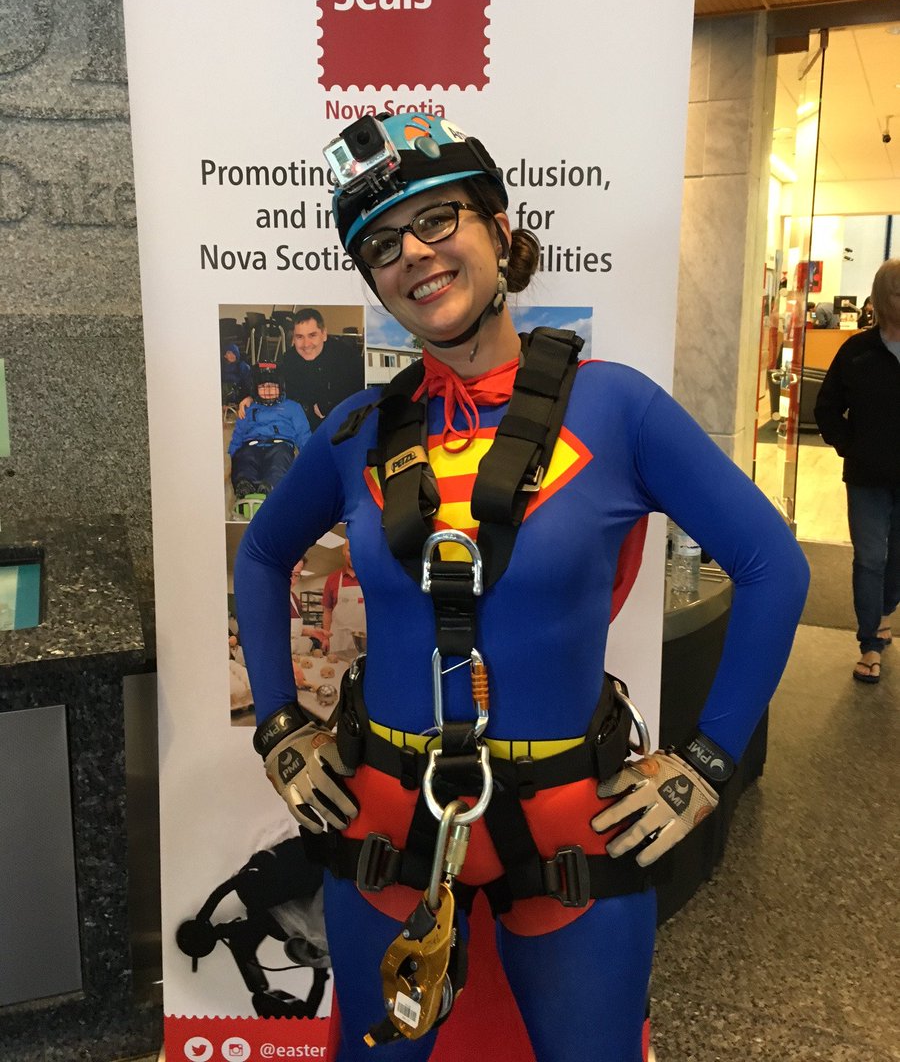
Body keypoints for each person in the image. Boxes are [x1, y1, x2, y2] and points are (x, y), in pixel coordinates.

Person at [234, 111, 809, 1061]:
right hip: (383, 807)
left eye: (437, 220)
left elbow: (773, 566)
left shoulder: (618, 408)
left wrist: (709, 764)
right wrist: (278, 728)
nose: (413, 254)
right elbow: (261, 558)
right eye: (380, 246)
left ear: (499, 228)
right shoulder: (352, 432)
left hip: (567, 821)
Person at [814, 259, 900, 684]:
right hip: (866, 476)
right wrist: (850, 446)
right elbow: (826, 407)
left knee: (896, 560)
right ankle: (870, 643)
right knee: (870, 558)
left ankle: (884, 612)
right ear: (884, 298)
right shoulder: (858, 350)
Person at [228, 362, 311, 500]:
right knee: (244, 458)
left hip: (280, 444)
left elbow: (303, 433)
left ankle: (271, 486)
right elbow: (239, 432)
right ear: (255, 389)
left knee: (279, 460)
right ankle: (245, 485)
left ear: (281, 387)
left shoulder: (292, 407)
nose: (268, 390)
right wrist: (232, 452)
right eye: (263, 387)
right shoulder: (249, 407)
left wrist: (310, 455)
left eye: (273, 386)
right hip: (251, 444)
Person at [321, 538, 366, 655]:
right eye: (350, 550)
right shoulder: (332, 579)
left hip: (364, 641)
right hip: (338, 641)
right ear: (343, 551)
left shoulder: (369, 578)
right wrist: (325, 637)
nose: (354, 555)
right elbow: (327, 611)